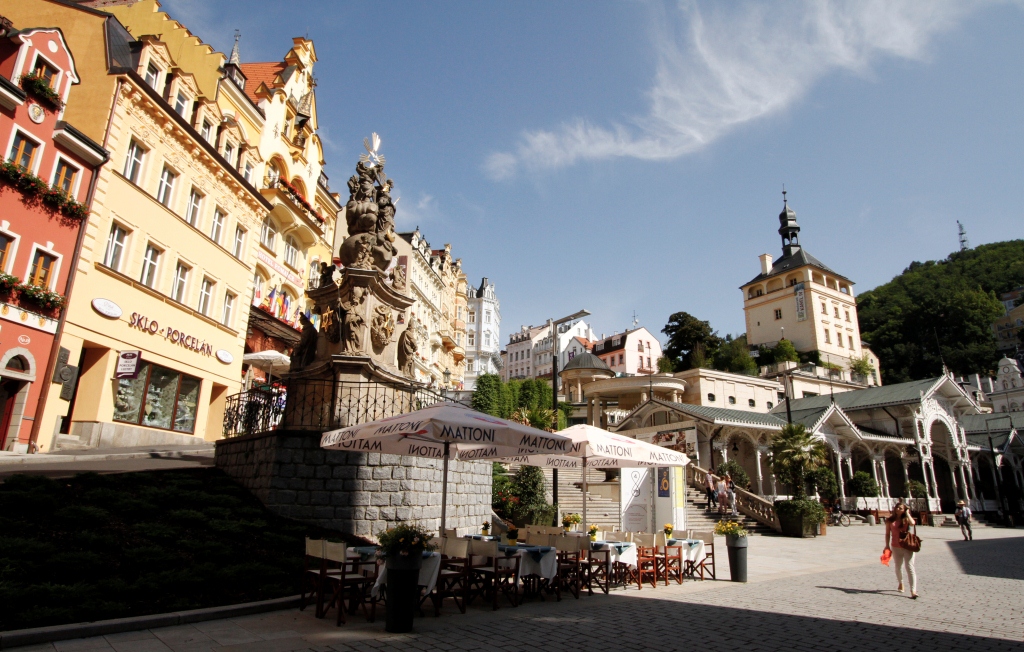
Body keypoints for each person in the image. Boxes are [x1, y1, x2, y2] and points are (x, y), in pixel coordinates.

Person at [884, 503, 918, 599]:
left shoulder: (906, 519)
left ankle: (913, 591)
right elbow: (887, 534)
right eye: (897, 507)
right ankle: (901, 582)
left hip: (908, 546)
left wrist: (907, 513)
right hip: (895, 546)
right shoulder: (890, 520)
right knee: (898, 566)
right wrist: (887, 545)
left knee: (910, 567)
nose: (898, 509)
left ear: (904, 510)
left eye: (901, 508)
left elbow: (913, 523)